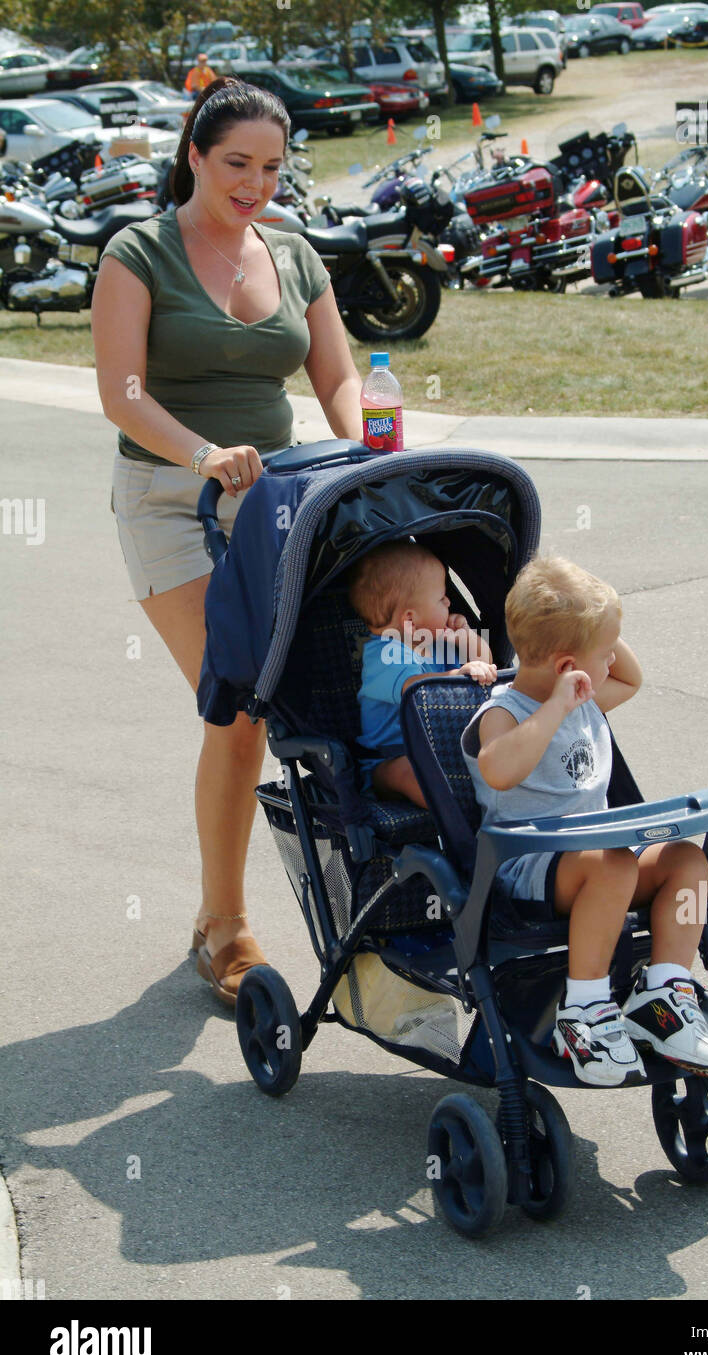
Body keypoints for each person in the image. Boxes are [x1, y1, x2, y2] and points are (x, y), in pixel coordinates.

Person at [91, 77, 363, 1008]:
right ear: (196, 156)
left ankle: (372, 909)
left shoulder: (292, 253)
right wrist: (204, 454)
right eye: (236, 163)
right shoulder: (139, 252)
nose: (254, 184)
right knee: (239, 702)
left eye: (272, 168)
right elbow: (121, 393)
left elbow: (337, 376)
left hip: (282, 497)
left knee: (328, 697)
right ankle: (225, 927)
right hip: (171, 496)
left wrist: (360, 445)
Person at [461, 555, 708, 1086]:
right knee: (613, 867)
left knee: (686, 859)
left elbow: (631, 677)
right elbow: (498, 767)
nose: (613, 661)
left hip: (604, 857)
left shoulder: (585, 697)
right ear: (568, 667)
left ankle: (664, 993)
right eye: (603, 653)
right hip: (528, 868)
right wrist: (556, 704)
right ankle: (583, 1012)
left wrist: (597, 620)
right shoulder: (502, 713)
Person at [347, 541, 497, 807]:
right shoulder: (384, 653)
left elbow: (485, 668)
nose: (449, 601)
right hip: (389, 757)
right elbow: (415, 689)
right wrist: (458, 674)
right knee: (409, 772)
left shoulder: (438, 642)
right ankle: (453, 812)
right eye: (441, 598)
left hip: (442, 749)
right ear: (410, 620)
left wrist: (467, 640)